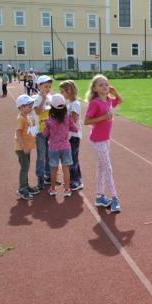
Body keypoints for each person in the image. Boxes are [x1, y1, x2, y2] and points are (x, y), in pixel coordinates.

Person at [84, 74, 123, 213]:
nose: (105, 87)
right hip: (97, 140)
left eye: (106, 84)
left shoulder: (108, 100)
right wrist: (103, 117)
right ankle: (114, 199)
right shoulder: (95, 103)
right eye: (101, 85)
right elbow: (86, 121)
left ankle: (100, 196)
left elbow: (120, 100)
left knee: (101, 167)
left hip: (106, 139)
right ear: (94, 88)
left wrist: (115, 91)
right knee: (107, 168)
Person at [43, 93, 78, 197]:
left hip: (53, 147)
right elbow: (75, 129)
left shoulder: (49, 120)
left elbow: (45, 134)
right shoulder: (68, 118)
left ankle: (53, 188)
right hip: (66, 147)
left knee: (53, 169)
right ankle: (67, 189)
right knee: (66, 168)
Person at [14, 94, 39, 200]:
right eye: (29, 107)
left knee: (26, 167)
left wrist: (32, 123)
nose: (31, 108)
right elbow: (18, 133)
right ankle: (22, 189)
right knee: (24, 168)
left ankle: (26, 186)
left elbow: (29, 130)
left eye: (31, 106)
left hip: (27, 147)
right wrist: (24, 147)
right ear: (21, 107)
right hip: (22, 148)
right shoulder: (21, 119)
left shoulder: (26, 117)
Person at [59, 80, 83, 190]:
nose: (61, 94)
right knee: (71, 158)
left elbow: (73, 120)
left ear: (69, 91)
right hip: (70, 135)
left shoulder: (75, 104)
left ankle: (76, 181)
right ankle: (75, 179)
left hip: (73, 136)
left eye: (62, 92)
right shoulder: (70, 104)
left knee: (73, 158)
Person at [33, 75, 53, 190]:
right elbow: (38, 111)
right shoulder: (37, 98)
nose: (48, 89)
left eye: (49, 87)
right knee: (41, 156)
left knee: (49, 155)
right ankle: (40, 180)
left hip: (49, 131)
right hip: (40, 132)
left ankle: (48, 176)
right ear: (39, 86)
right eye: (46, 86)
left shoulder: (50, 97)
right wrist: (44, 99)